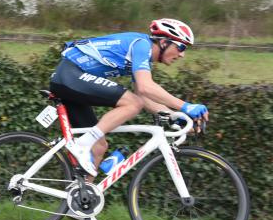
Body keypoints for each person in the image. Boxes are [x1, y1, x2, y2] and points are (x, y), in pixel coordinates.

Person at [48, 18, 209, 176]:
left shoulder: (142, 56)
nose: (182, 55)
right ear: (164, 42)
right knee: (132, 103)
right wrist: (186, 106)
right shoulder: (142, 44)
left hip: (72, 82)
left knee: (99, 147)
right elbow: (146, 88)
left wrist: (173, 116)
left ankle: (81, 199)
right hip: (70, 75)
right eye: (181, 47)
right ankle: (81, 144)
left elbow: (143, 95)